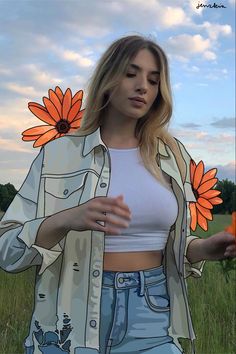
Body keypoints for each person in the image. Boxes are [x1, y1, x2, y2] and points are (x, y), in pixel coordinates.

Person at [0, 35, 235, 354]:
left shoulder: (171, 155)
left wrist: (204, 248)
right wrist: (68, 219)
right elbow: (8, 251)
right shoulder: (58, 154)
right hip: (69, 321)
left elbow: (166, 242)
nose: (143, 87)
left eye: (154, 80)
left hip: (151, 312)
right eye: (131, 73)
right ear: (108, 79)